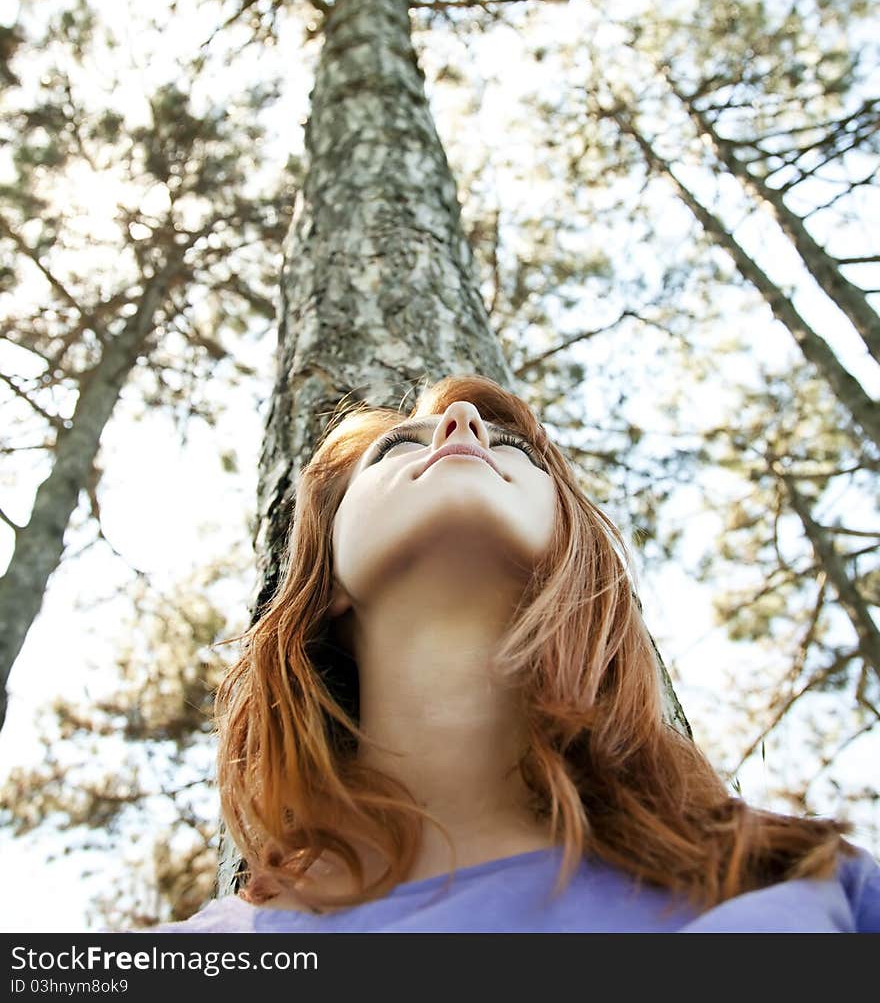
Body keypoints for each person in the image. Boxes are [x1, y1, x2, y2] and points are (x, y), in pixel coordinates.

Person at [144, 374, 880, 932]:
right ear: (327, 577)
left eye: (515, 449)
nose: (460, 425)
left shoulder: (794, 880)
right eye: (398, 446)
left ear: (571, 547)